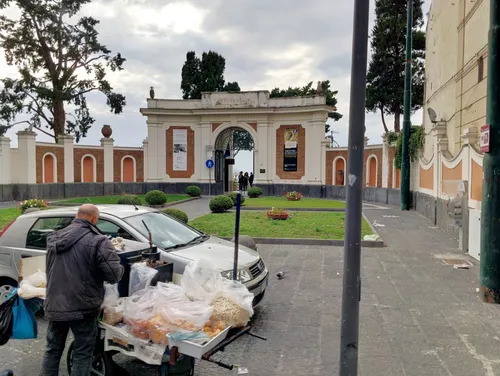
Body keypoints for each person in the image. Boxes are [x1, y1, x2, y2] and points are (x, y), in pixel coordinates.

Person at [40, 204, 124, 376]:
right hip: (83, 308)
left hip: (55, 304)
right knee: (83, 352)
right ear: (94, 219)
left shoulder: (55, 237)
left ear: (77, 216)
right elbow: (114, 275)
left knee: (52, 349)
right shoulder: (98, 240)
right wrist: (121, 266)